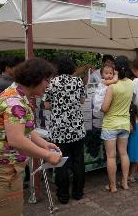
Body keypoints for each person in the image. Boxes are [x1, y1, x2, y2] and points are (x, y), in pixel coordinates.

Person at [0, 58, 61, 216]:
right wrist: (47, 155)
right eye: (47, 80)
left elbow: (26, 128)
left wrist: (43, 144)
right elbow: (16, 140)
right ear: (35, 78)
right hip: (3, 170)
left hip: (6, 169)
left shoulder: (17, 95)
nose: (48, 85)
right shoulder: (15, 102)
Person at [43, 55, 88, 204]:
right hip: (77, 128)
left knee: (60, 162)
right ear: (72, 68)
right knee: (78, 161)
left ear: (58, 68)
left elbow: (47, 105)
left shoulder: (52, 83)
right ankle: (78, 192)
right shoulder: (78, 81)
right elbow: (82, 101)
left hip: (59, 130)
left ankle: (63, 196)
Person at [101, 56, 134, 192]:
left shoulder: (112, 86)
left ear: (115, 69)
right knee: (124, 154)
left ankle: (112, 186)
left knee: (111, 156)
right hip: (124, 123)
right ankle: (125, 183)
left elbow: (104, 108)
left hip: (110, 124)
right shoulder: (131, 83)